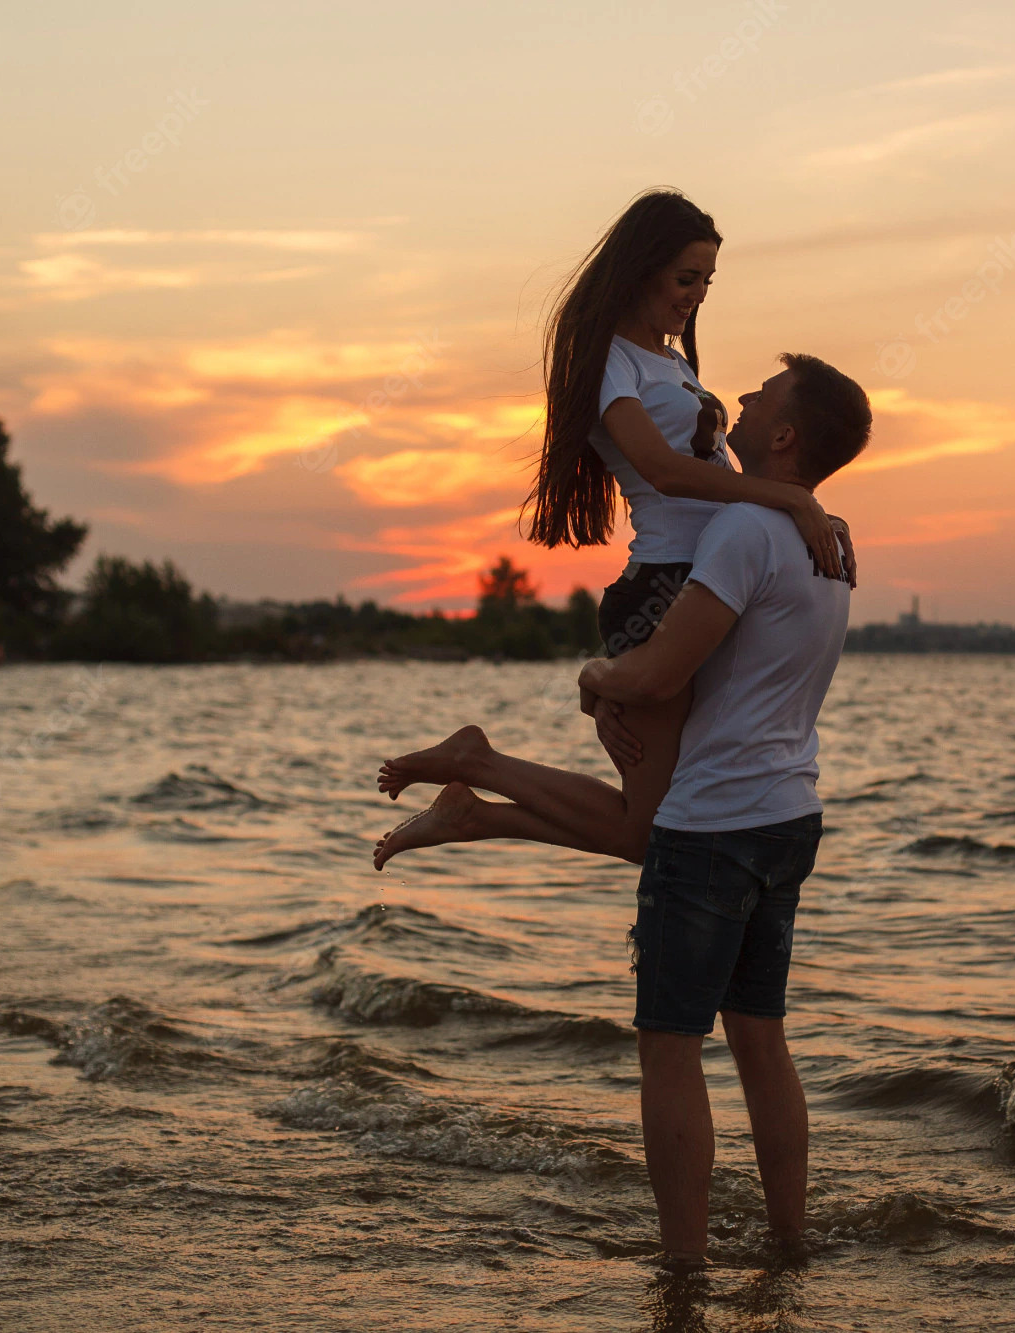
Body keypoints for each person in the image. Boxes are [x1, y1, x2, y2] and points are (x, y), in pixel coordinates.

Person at [373, 190, 852, 865]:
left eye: (707, 283)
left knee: (670, 815)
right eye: (686, 278)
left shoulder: (673, 362)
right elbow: (660, 469)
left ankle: (473, 807)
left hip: (707, 585)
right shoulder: (608, 360)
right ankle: (475, 769)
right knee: (646, 833)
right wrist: (789, 503)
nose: (696, 296)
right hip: (662, 590)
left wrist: (808, 511)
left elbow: (712, 474)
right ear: (641, 267)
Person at [575, 353, 872, 1266]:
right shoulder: (833, 541)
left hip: (712, 825)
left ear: (783, 435)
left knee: (669, 1046)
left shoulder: (744, 530)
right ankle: (791, 1243)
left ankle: (682, 1267)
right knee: (761, 1039)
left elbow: (660, 670)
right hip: (789, 816)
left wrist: (595, 676)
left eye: (760, 398)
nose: (737, 398)